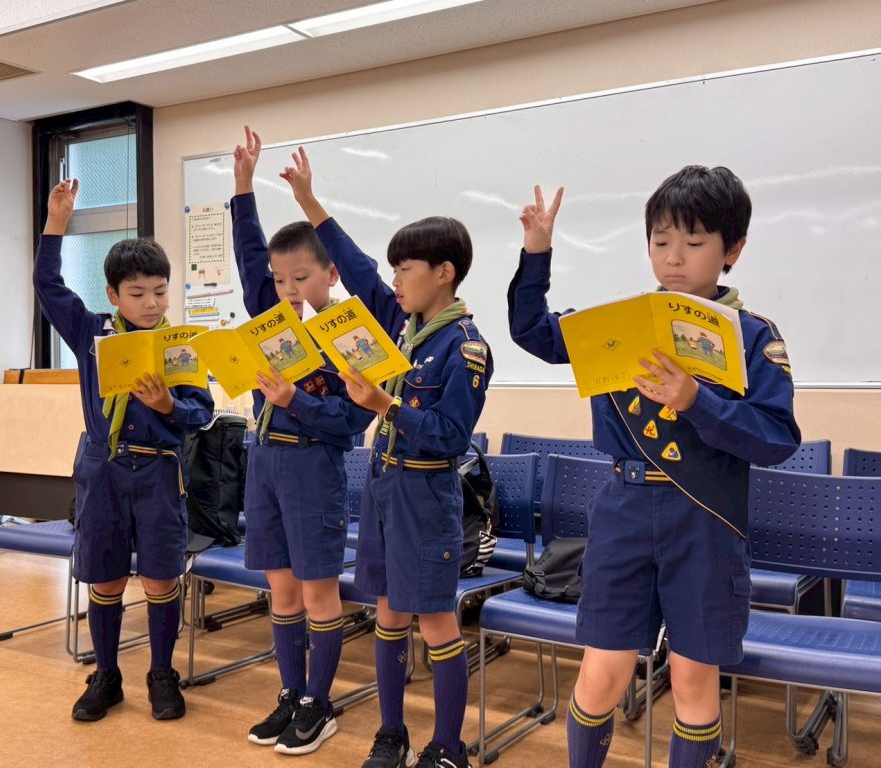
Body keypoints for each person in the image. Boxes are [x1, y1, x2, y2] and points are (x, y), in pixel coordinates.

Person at [507, 166, 800, 767]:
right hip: (624, 510)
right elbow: (531, 330)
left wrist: (696, 401)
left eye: (694, 242)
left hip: (706, 517)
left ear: (733, 250)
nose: (674, 257)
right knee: (600, 672)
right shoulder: (619, 323)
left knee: (693, 679)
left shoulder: (752, 336)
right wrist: (536, 252)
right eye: (660, 241)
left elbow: (776, 438)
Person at [282, 146, 492, 768]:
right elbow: (354, 265)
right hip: (384, 487)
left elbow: (450, 435)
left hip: (426, 493)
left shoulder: (465, 346)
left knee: (436, 623)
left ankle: (448, 745)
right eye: (394, 270)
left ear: (444, 273)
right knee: (388, 615)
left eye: (407, 269)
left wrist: (385, 406)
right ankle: (392, 733)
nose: (395, 281)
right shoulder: (401, 330)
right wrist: (309, 203)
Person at [34, 179, 214, 722]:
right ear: (113, 295)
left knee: (161, 577)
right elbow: (47, 285)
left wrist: (167, 405)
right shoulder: (91, 334)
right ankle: (106, 675)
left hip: (159, 472)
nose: (152, 303)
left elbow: (201, 414)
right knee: (106, 576)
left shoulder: (182, 345)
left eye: (160, 291)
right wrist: (56, 222)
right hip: (103, 467)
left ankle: (162, 674)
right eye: (138, 293)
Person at [232, 127, 376, 755]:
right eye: (279, 280)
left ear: (330, 274)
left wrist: (297, 401)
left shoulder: (350, 332)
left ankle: (320, 702)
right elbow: (247, 256)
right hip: (264, 463)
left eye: (300, 278)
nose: (288, 291)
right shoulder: (272, 317)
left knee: (318, 591)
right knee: (282, 589)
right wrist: (243, 186)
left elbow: (353, 422)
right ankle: (291, 694)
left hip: (315, 468)